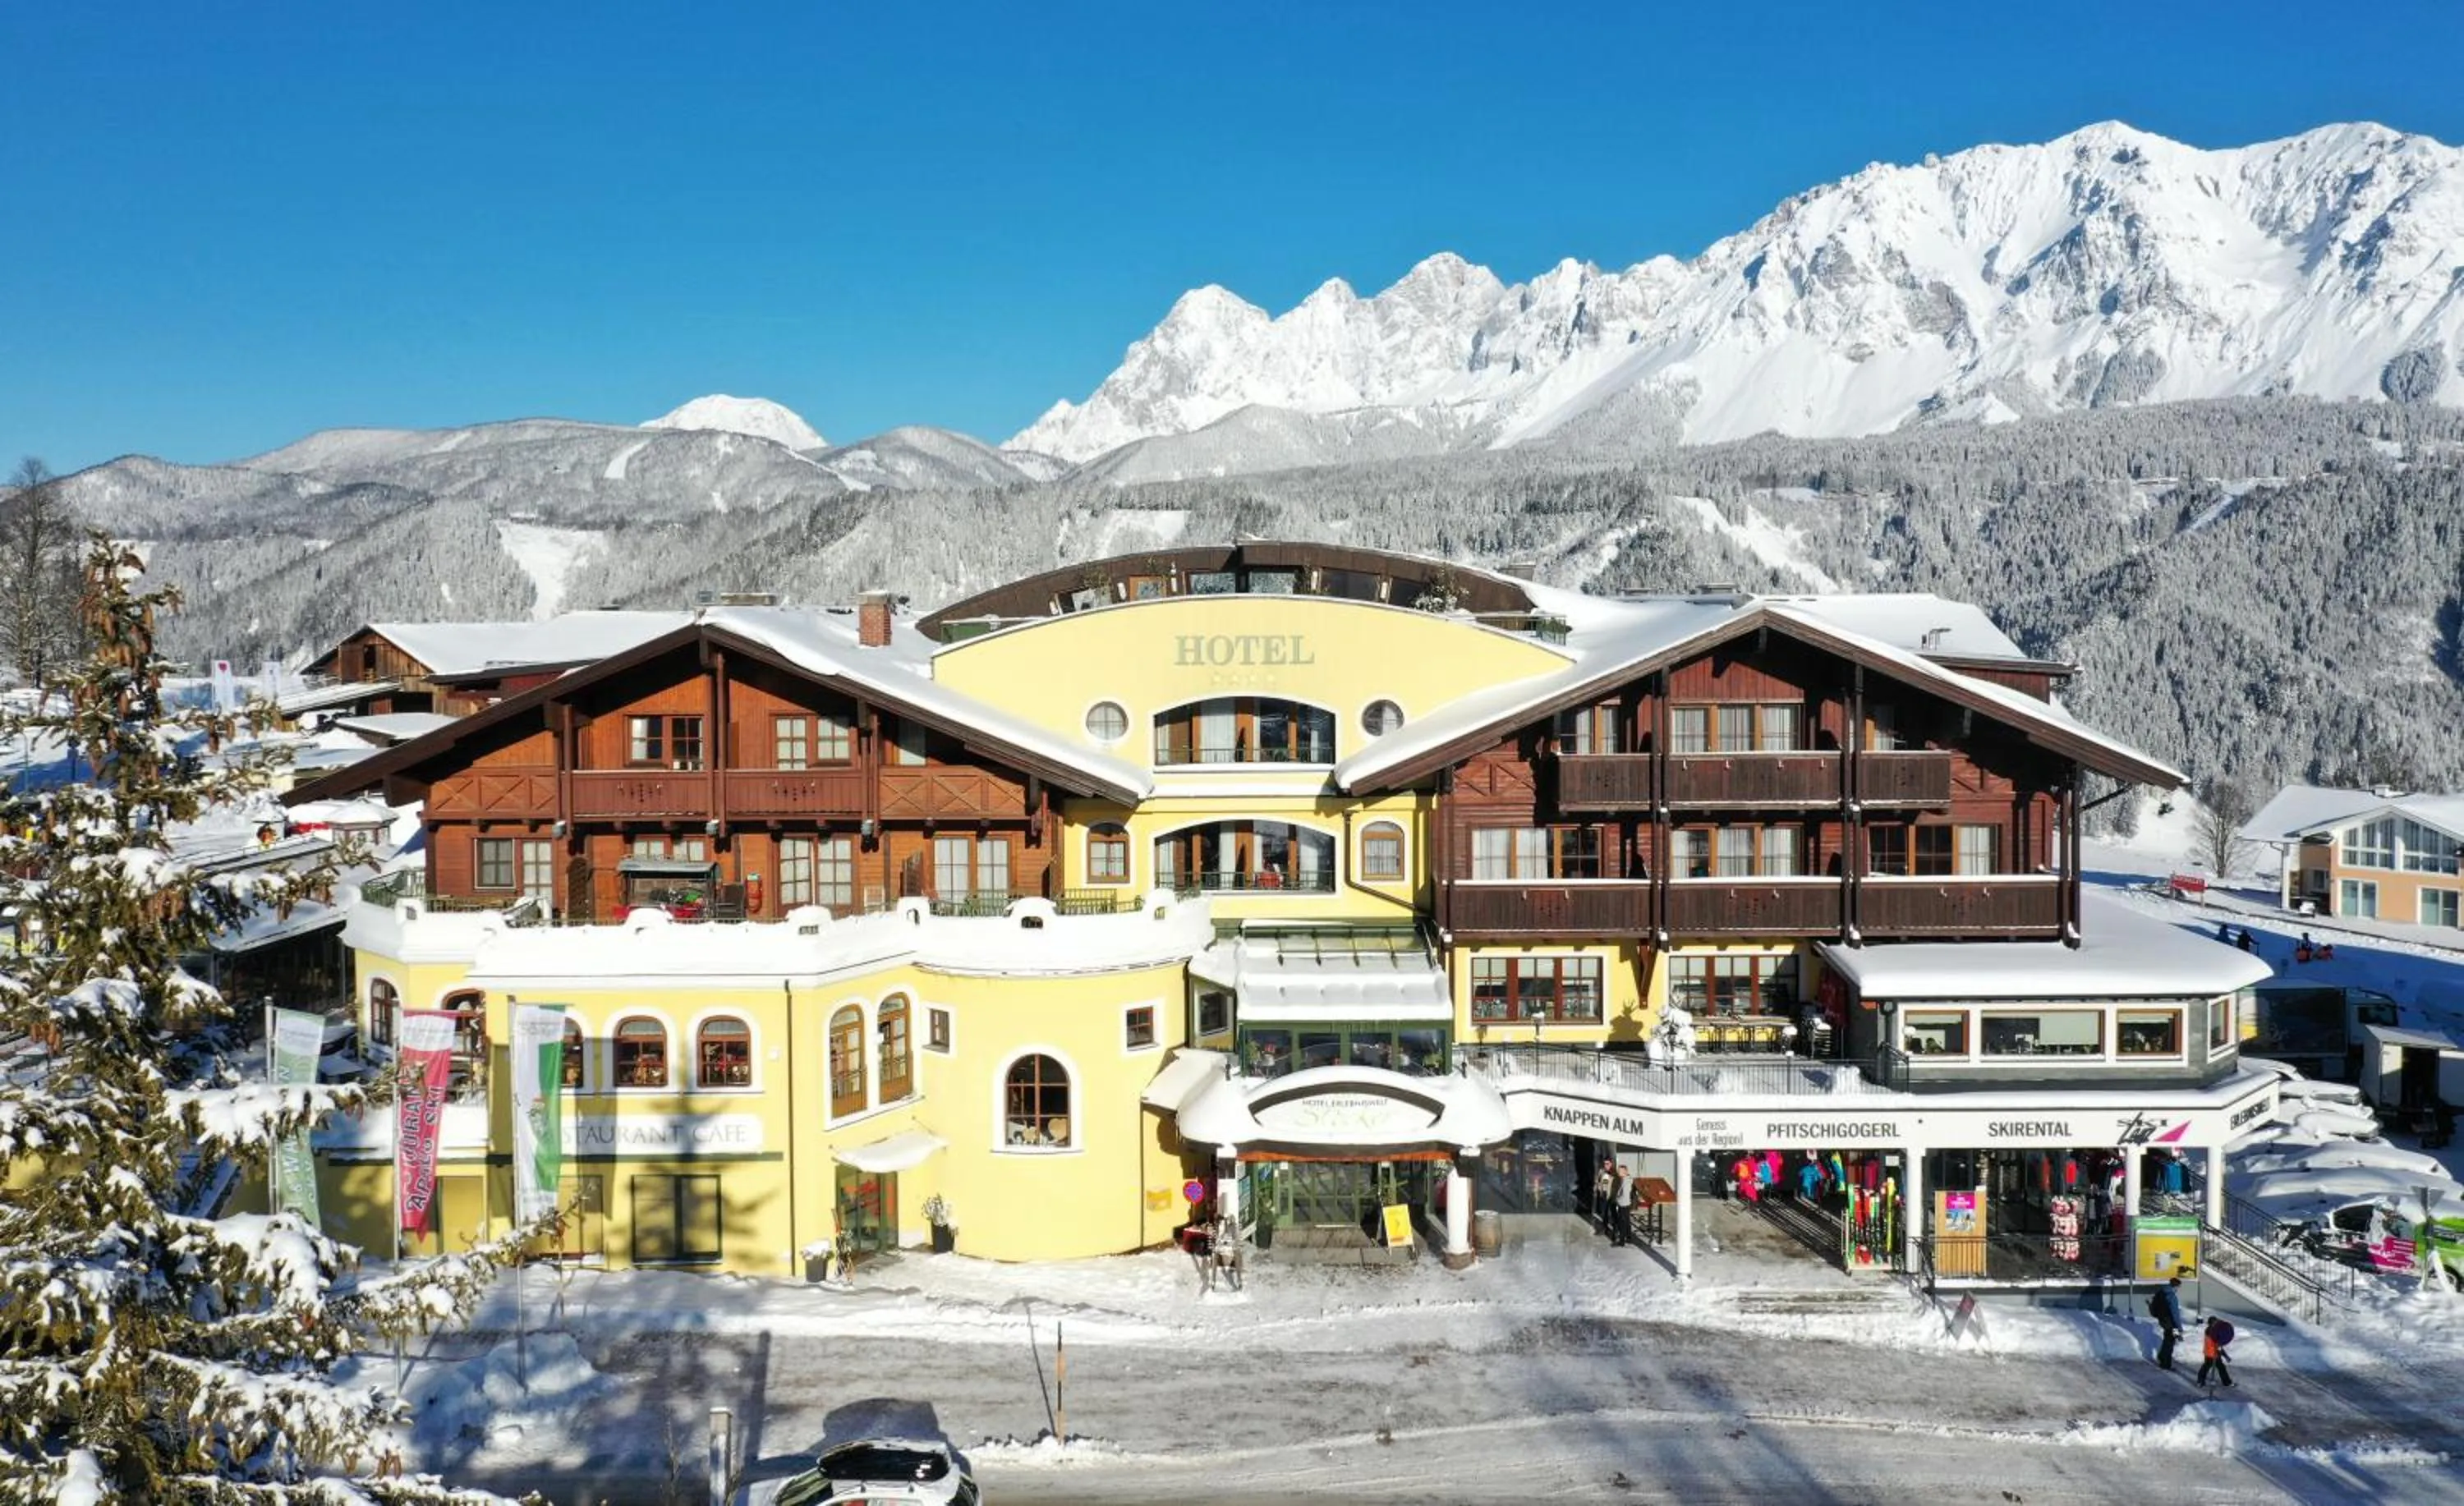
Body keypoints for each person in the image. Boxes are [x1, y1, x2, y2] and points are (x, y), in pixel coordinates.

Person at [2149, 1277, 2185, 1370]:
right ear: (2175, 1286)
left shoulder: (2162, 1292)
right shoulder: (2172, 1297)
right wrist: (2179, 1327)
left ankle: (2161, 1357)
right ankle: (2165, 1364)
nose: (2178, 1289)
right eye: (2178, 1287)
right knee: (2169, 1342)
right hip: (2170, 1322)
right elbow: (2175, 1314)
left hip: (2163, 1320)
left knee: (2167, 1340)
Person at [2196, 1315, 2236, 1389]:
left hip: (2208, 1353)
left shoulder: (2209, 1330)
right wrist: (2226, 1356)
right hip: (2213, 1354)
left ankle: (2200, 1381)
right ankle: (2227, 1383)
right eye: (2215, 1323)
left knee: (2207, 1367)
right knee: (2218, 1368)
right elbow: (2218, 1346)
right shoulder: (2213, 1333)